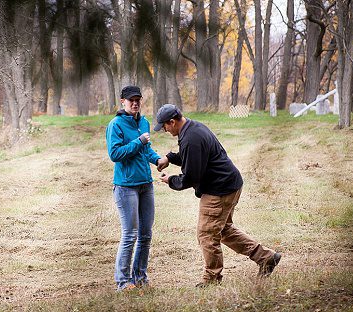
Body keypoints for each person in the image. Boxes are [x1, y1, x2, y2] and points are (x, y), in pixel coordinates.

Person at [152, 104, 281, 287]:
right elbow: (192, 157)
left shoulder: (190, 138)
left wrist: (171, 180)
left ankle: (212, 278)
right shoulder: (193, 127)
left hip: (219, 191)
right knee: (223, 230)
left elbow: (191, 176)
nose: (164, 130)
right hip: (230, 184)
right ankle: (267, 258)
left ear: (172, 122)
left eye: (164, 126)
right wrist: (170, 157)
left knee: (206, 234)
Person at [106, 85, 167, 291]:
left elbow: (146, 150)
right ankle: (123, 282)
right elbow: (115, 154)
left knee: (146, 235)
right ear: (122, 101)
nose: (135, 103)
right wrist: (138, 141)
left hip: (145, 185)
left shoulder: (144, 122)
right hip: (125, 187)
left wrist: (157, 159)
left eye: (138, 100)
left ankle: (140, 277)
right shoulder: (115, 125)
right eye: (131, 100)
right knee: (130, 234)